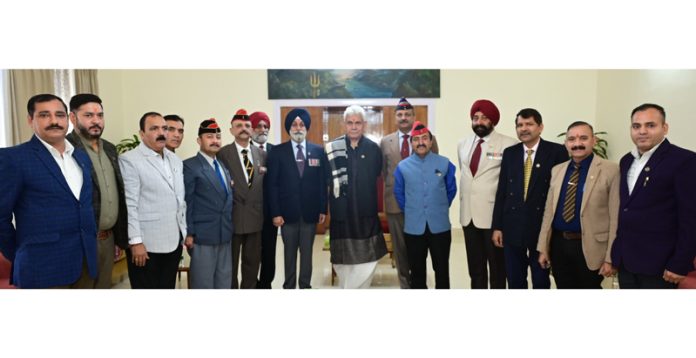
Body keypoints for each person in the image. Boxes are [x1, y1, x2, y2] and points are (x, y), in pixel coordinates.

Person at [0, 94, 97, 288]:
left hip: (86, 263)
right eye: (44, 115)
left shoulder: (81, 157)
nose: (54, 121)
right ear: (30, 120)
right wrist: (21, 252)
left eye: (59, 115)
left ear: (68, 119)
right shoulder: (13, 158)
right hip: (41, 266)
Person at [611, 103, 696, 288]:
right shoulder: (626, 160)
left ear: (665, 128)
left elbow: (691, 217)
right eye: (636, 126)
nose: (642, 131)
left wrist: (680, 263)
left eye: (650, 125)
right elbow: (626, 208)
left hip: (661, 265)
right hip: (627, 262)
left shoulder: (684, 160)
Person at [537, 121, 619, 288]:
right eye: (572, 139)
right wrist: (543, 247)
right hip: (559, 245)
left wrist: (611, 258)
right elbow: (549, 212)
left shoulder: (611, 170)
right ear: (566, 143)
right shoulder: (557, 170)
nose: (577, 144)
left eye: (583, 138)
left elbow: (615, 217)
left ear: (593, 140)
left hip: (591, 248)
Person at [491, 108, 567, 289]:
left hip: (541, 228)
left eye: (529, 124)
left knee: (541, 279)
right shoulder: (510, 153)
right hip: (512, 226)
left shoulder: (557, 152)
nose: (524, 129)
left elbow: (560, 195)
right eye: (519, 125)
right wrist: (497, 226)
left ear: (540, 127)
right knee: (515, 279)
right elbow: (502, 191)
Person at [66, 93, 128, 289]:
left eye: (100, 115)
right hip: (81, 241)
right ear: (73, 118)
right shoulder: (65, 149)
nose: (96, 121)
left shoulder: (110, 148)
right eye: (89, 115)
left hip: (108, 240)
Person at [119, 112, 187, 289]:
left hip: (173, 240)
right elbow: (130, 204)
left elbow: (180, 199)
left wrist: (184, 232)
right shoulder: (130, 160)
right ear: (142, 134)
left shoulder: (175, 160)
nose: (162, 132)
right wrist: (136, 242)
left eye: (164, 128)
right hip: (146, 245)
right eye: (154, 128)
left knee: (167, 287)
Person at [457, 99, 517, 289]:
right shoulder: (463, 144)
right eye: (475, 118)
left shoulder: (509, 144)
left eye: (484, 118)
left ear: (493, 121)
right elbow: (468, 176)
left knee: (498, 269)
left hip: (494, 218)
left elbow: (511, 185)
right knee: (475, 268)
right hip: (468, 217)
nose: (479, 122)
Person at [326, 105, 387, 289]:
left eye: (358, 123)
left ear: (364, 125)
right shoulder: (332, 148)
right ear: (344, 124)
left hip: (365, 214)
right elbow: (326, 180)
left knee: (367, 259)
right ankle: (348, 287)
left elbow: (377, 175)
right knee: (342, 262)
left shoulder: (373, 149)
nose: (354, 127)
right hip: (341, 215)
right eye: (350, 123)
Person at [380, 97, 439, 289]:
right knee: (400, 250)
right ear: (395, 117)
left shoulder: (427, 139)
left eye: (407, 114)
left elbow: (435, 167)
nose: (403, 117)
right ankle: (405, 286)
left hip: (420, 205)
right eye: (400, 114)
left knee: (419, 247)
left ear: (414, 116)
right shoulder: (385, 141)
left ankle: (419, 284)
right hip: (395, 205)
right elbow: (383, 172)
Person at [267, 108, 328, 289]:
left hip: (310, 213)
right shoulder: (278, 152)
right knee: (289, 253)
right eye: (294, 124)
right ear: (289, 128)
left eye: (302, 124)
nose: (298, 128)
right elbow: (273, 186)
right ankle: (289, 286)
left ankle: (305, 286)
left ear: (307, 127)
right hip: (287, 215)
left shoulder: (318, 151)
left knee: (307, 253)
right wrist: (275, 213)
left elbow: (322, 182)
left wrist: (323, 208)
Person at [394, 121, 456, 289]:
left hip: (440, 227)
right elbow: (399, 194)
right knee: (417, 271)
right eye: (416, 139)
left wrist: (439, 206)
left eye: (424, 138)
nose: (420, 142)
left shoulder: (445, 163)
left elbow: (451, 190)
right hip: (414, 227)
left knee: (442, 269)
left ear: (430, 141)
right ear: (411, 142)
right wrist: (414, 209)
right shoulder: (402, 167)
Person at [183, 119, 234, 289]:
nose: (215, 140)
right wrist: (189, 233)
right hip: (203, 236)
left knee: (224, 281)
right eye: (209, 136)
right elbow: (187, 202)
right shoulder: (190, 166)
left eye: (218, 137)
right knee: (203, 284)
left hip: (224, 234)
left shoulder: (221, 166)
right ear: (199, 140)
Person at [217, 109, 265, 289]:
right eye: (238, 126)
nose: (243, 129)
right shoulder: (223, 154)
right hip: (232, 218)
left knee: (252, 264)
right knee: (230, 266)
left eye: (247, 125)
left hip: (255, 218)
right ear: (231, 130)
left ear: (252, 130)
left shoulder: (261, 154)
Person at [249, 111, 280, 288]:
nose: (263, 129)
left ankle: (266, 285)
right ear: (252, 128)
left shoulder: (276, 151)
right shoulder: (245, 151)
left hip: (270, 214)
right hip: (250, 214)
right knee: (252, 255)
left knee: (269, 253)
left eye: (266, 126)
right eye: (259, 126)